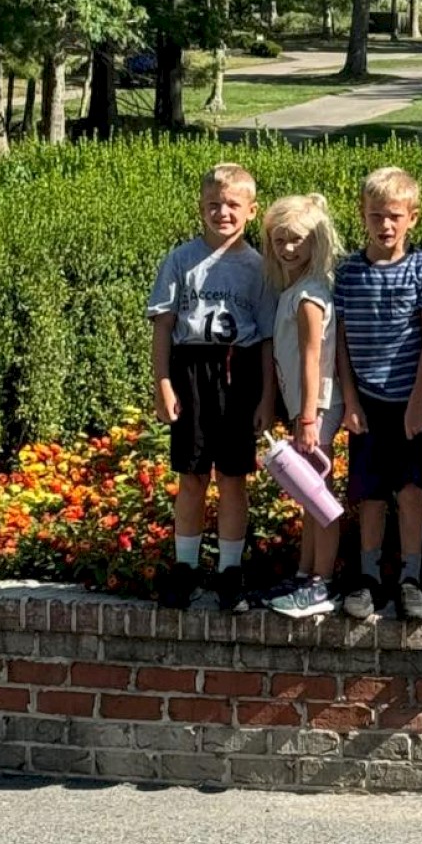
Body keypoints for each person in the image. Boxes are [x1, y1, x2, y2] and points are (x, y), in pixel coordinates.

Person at [147, 162, 276, 611]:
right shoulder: (180, 259)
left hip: (236, 373)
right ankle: (184, 567)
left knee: (234, 477)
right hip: (191, 370)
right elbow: (163, 326)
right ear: (201, 207)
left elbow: (265, 339)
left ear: (252, 211)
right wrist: (163, 382)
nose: (222, 212)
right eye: (213, 205)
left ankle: (230, 570)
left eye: (232, 205)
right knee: (192, 473)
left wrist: (266, 397)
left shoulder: (259, 267)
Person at [334, 166, 422, 623]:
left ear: (413, 218)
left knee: (410, 488)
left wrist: (420, 401)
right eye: (376, 215)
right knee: (370, 492)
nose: (385, 225)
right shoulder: (347, 273)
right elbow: (339, 342)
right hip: (366, 401)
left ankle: (410, 577)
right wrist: (351, 400)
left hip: (409, 403)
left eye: (395, 216)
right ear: (363, 214)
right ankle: (368, 576)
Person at [261, 193, 345, 619]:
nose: (287, 248)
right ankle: (305, 572)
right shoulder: (293, 289)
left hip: (318, 407)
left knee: (319, 495)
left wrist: (309, 416)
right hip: (304, 407)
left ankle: (322, 580)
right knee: (308, 496)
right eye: (278, 241)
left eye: (295, 239)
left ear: (315, 241)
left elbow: (314, 357)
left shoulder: (310, 295)